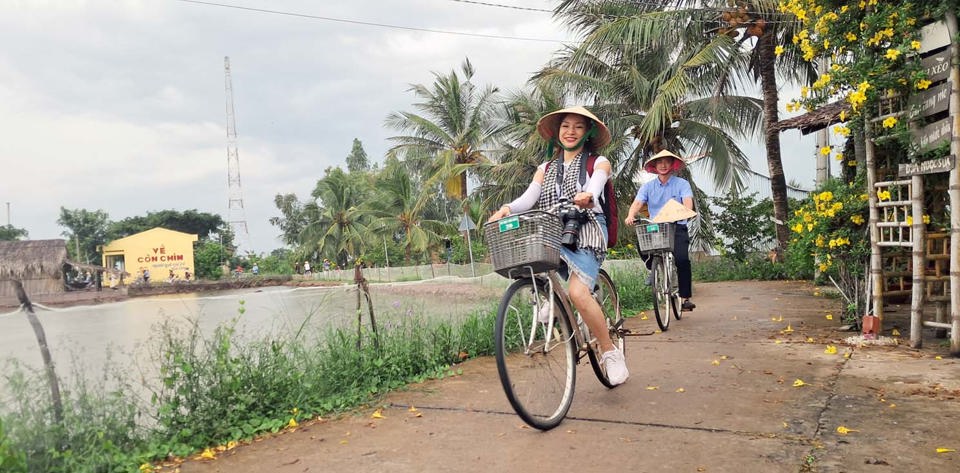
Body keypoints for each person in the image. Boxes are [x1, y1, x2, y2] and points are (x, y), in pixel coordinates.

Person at [486, 105, 628, 386]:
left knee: (578, 292)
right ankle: (550, 298)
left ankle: (610, 352)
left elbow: (598, 182)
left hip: (586, 227)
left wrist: (589, 194)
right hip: (553, 228)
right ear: (557, 132)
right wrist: (507, 208)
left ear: (587, 132)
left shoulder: (598, 162)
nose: (571, 132)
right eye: (566, 126)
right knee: (532, 257)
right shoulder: (545, 168)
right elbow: (530, 197)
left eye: (578, 127)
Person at [625, 149, 696, 311]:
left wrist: (685, 212)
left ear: (672, 165)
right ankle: (653, 268)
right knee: (642, 244)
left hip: (677, 225)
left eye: (666, 162)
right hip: (656, 226)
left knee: (682, 260)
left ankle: (685, 298)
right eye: (659, 162)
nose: (663, 165)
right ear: (655, 166)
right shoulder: (647, 187)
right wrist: (630, 215)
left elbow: (687, 203)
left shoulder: (682, 184)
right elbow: (637, 203)